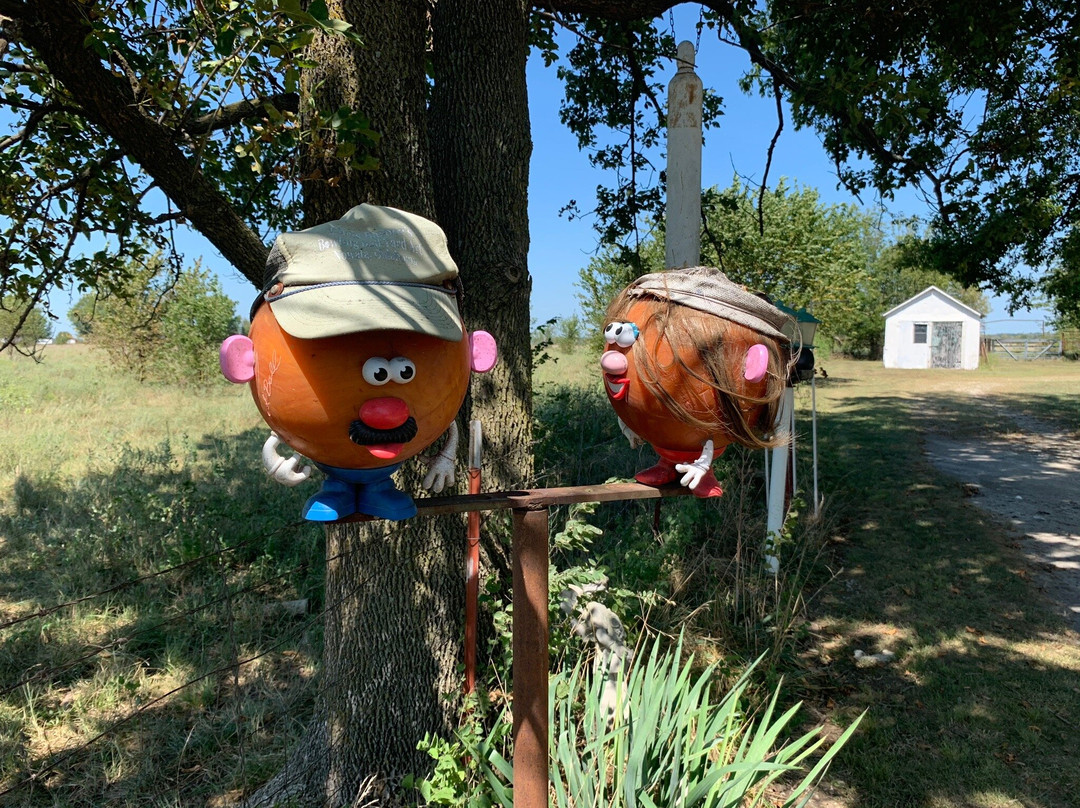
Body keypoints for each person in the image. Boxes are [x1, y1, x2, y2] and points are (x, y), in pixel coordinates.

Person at [220, 204, 496, 521]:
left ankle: (377, 492)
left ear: (476, 353)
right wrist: (274, 458)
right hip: (327, 460)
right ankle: (340, 492)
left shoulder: (442, 389)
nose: (386, 408)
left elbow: (444, 417)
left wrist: (446, 456)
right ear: (244, 360)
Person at [599, 266, 792, 497]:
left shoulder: (732, 346)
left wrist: (703, 462)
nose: (610, 363)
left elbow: (708, 432)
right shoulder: (642, 310)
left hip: (705, 442)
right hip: (660, 437)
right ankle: (666, 464)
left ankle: (704, 473)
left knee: (702, 437)